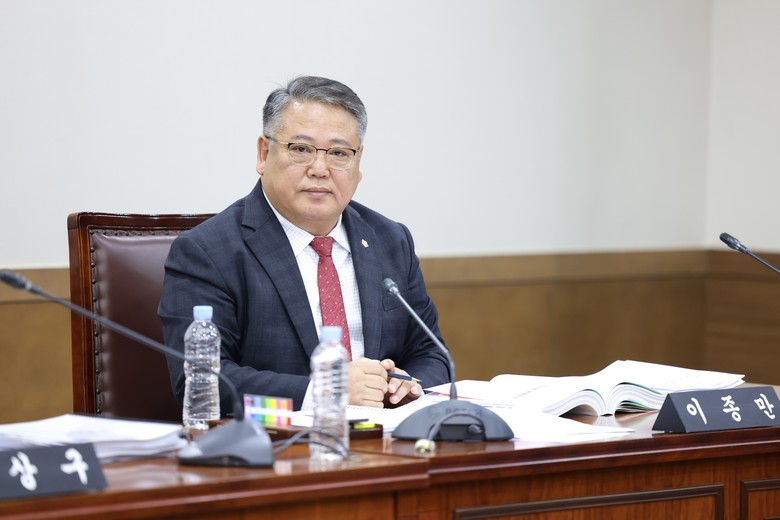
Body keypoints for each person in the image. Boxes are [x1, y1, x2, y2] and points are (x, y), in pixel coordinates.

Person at [159, 75, 450, 414]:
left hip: (385, 437)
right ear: (264, 153)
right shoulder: (208, 252)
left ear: (358, 163)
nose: (320, 169)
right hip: (277, 443)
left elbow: (431, 354)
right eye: (301, 149)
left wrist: (406, 386)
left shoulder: (390, 240)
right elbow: (201, 381)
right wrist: (328, 391)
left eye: (339, 153)